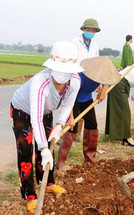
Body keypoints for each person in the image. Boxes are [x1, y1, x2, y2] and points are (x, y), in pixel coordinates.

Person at [10, 41, 82, 214]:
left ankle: (48, 183)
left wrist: (58, 125)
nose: (63, 77)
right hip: (23, 110)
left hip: (46, 111)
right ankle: (29, 194)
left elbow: (66, 106)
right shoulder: (40, 82)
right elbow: (35, 118)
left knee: (50, 147)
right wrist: (41, 148)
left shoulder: (75, 81)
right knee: (27, 151)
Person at [57, 56, 118, 169]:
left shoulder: (102, 76)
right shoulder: (79, 77)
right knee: (71, 128)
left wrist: (103, 89)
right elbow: (67, 98)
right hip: (73, 101)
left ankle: (90, 158)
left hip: (87, 99)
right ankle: (61, 162)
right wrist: (70, 117)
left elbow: (106, 80)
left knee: (92, 125)